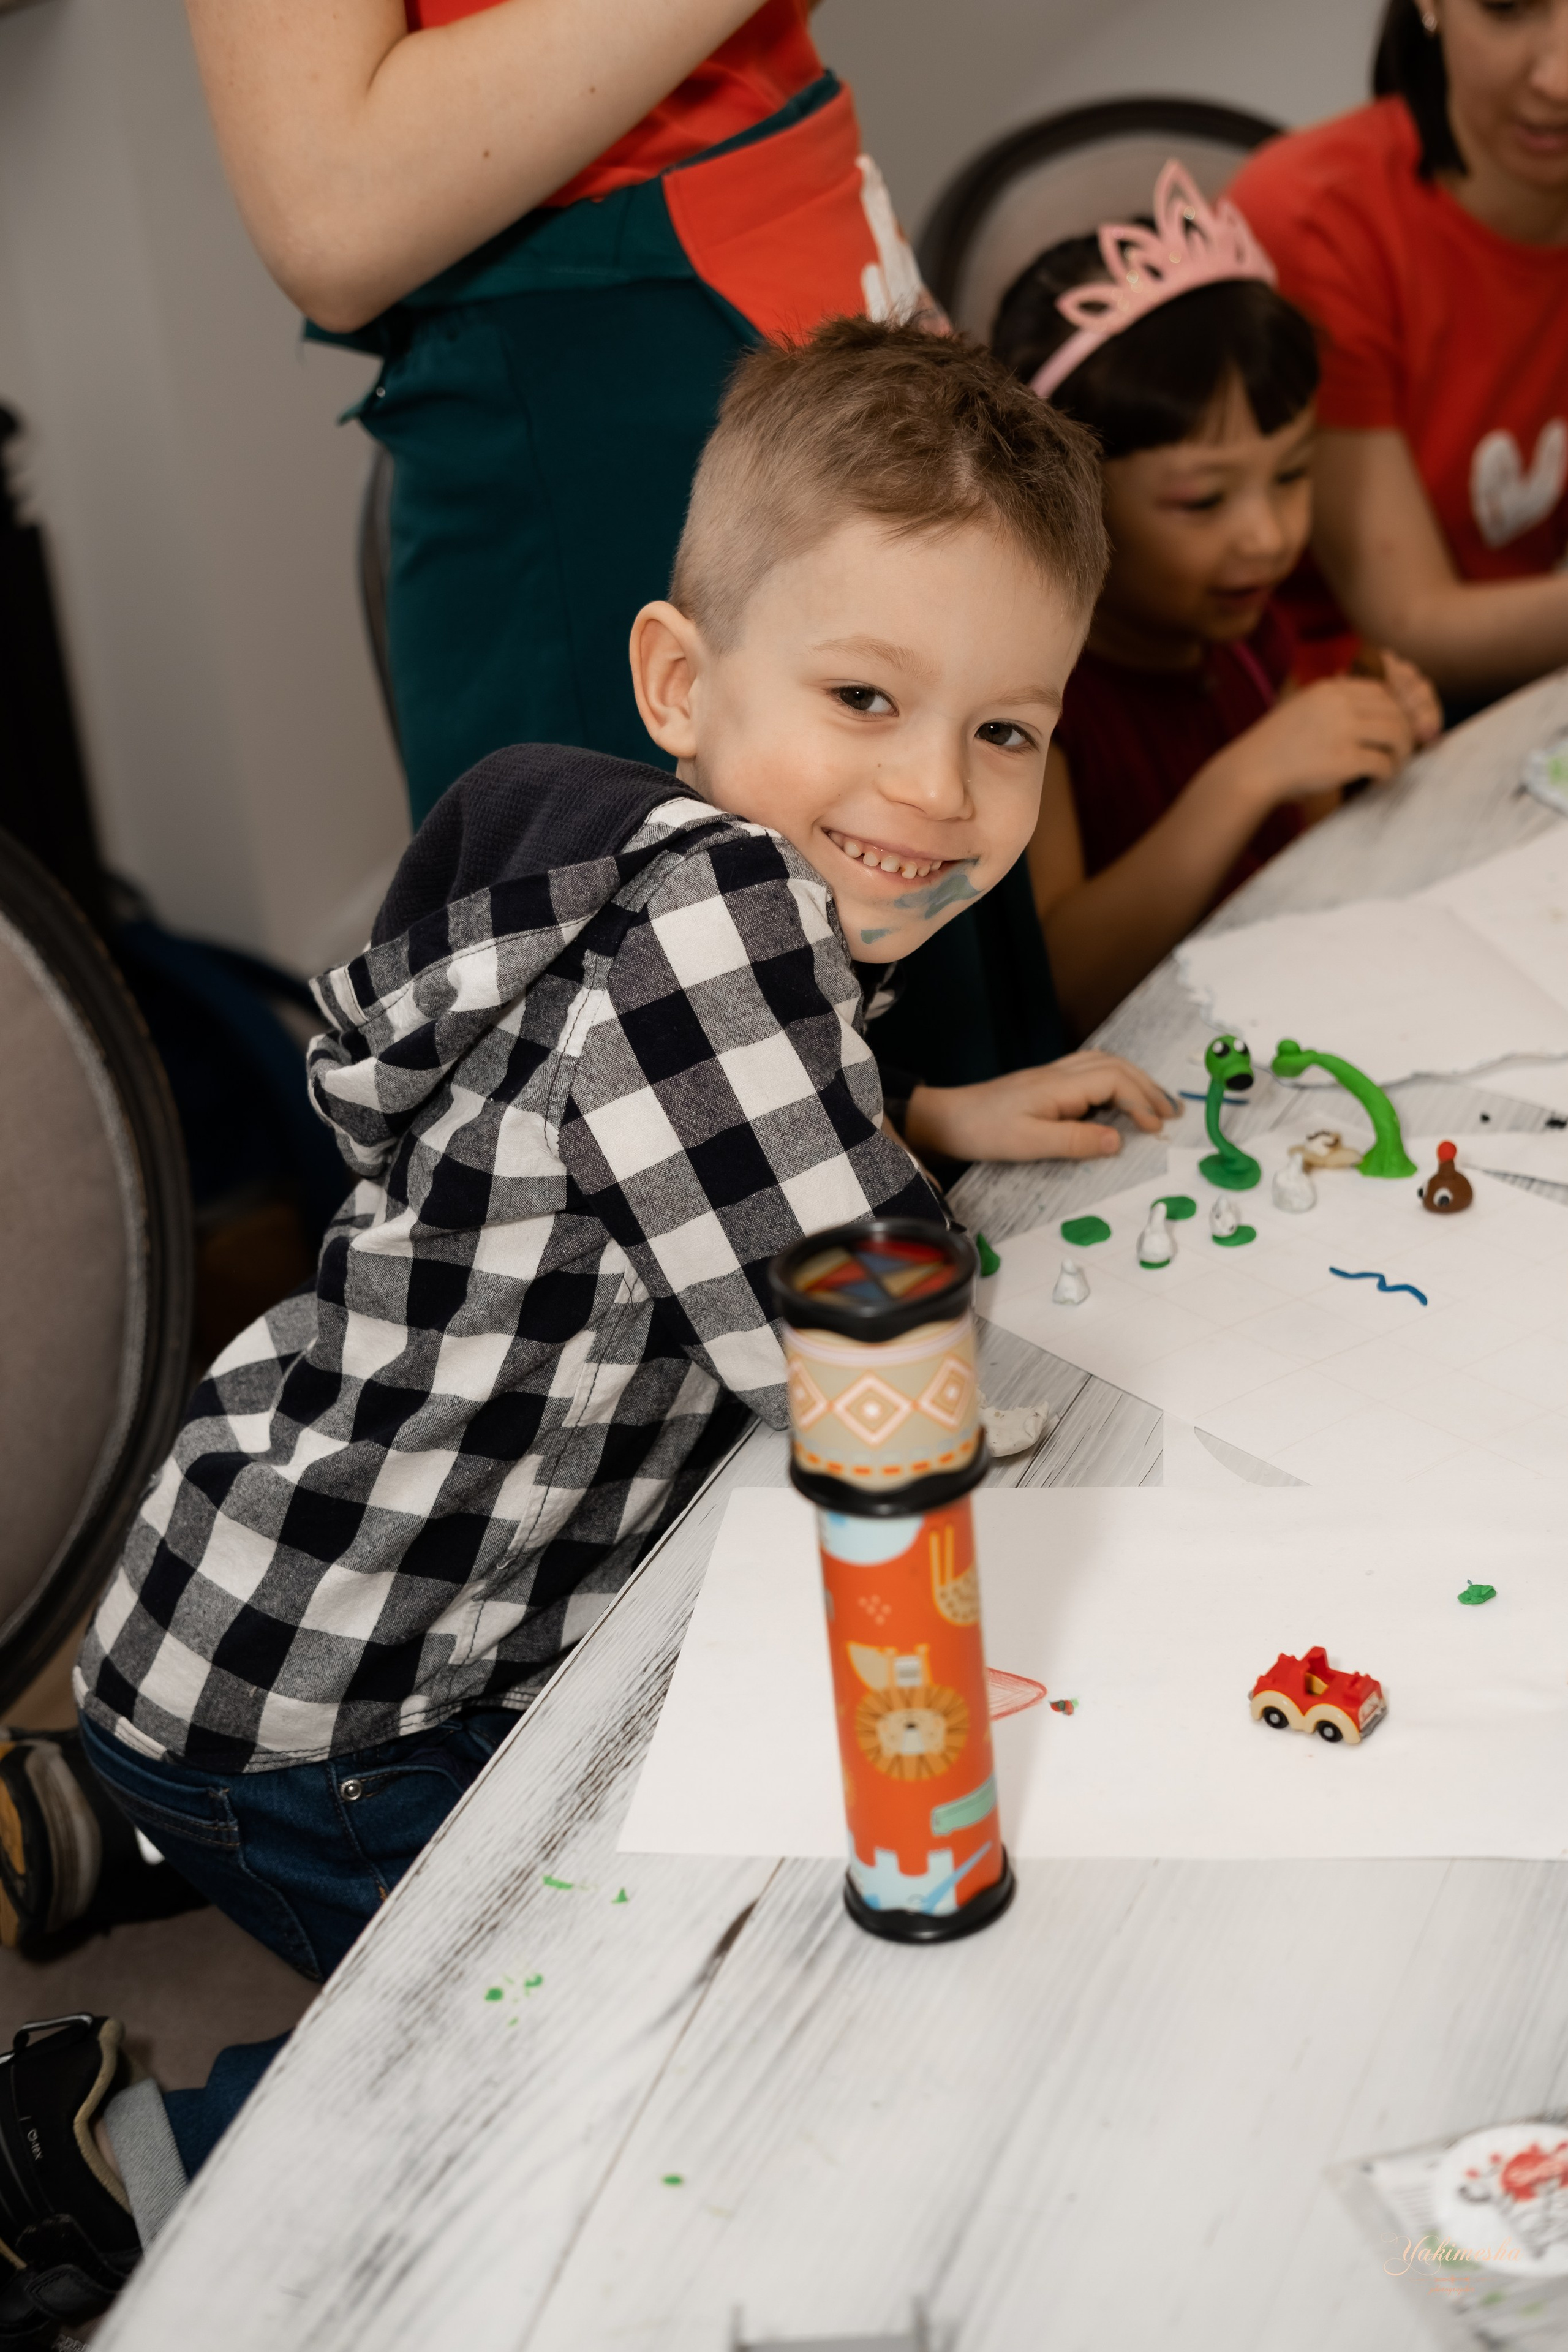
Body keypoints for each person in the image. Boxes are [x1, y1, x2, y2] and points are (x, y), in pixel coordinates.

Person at [0, 322, 1174, 2337]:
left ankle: (118, 1803)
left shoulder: (641, 878)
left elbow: (645, 1133)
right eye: (868, 696)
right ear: (678, 682)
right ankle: (137, 2151)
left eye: (1007, 731)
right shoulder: (732, 916)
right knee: (618, 2051)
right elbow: (867, 1355)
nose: (931, 785)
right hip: (346, 1711)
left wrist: (923, 1115)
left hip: (256, 1571)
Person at [991, 163, 1441, 1039]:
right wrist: (1252, 772)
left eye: (1294, 474)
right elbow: (1072, 983)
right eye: (1204, 500)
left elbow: (1290, 858)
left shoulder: (1236, 627)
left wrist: (1351, 738)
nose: (1270, 536)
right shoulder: (1034, 703)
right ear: (1071, 497)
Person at [1230, 0, 1568, 707]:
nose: (1560, 79)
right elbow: (1410, 624)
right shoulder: (1314, 220)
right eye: (1508, 8)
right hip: (1360, 724)